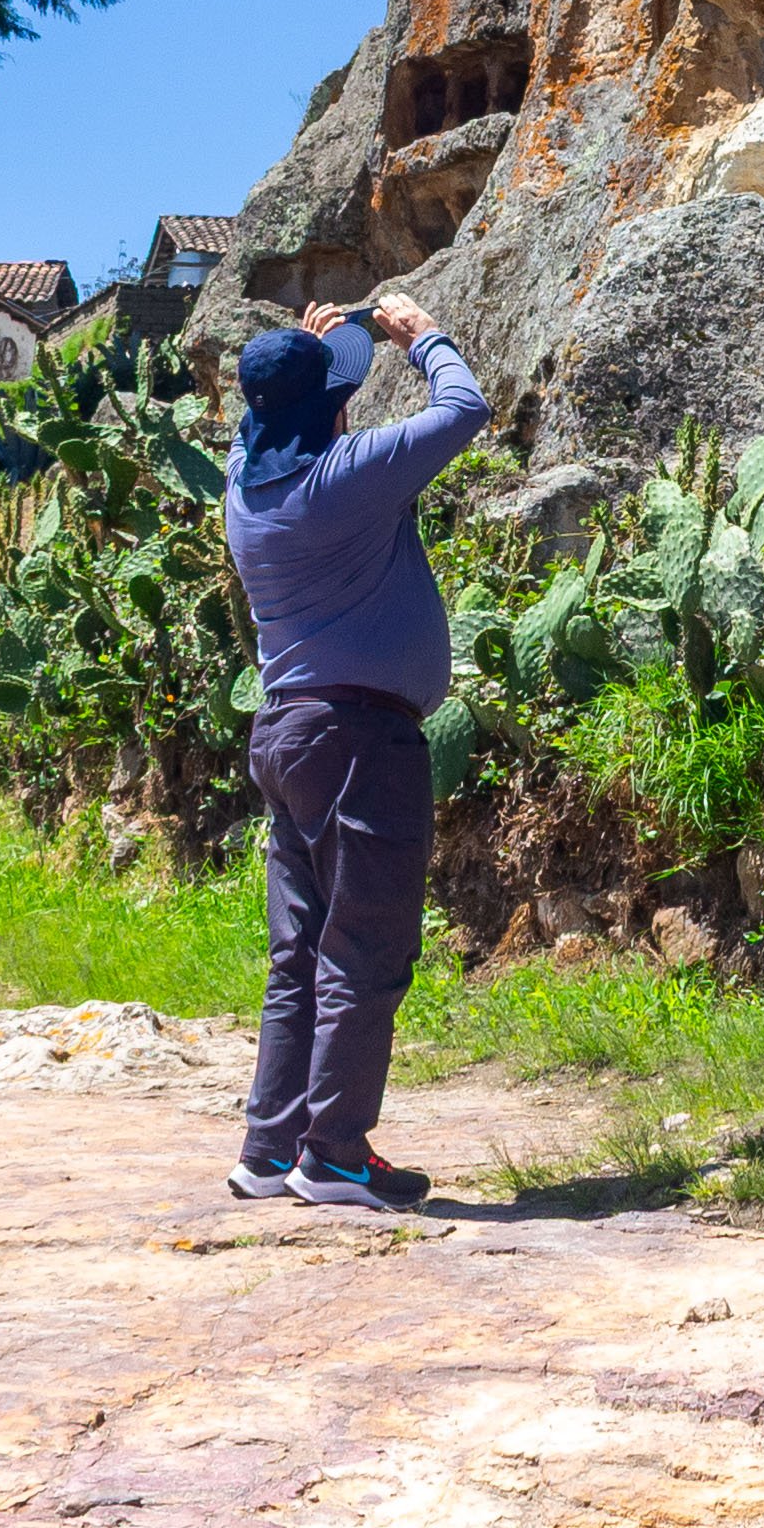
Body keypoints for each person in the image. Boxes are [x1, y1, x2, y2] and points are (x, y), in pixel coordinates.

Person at [221, 287, 487, 1212]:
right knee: (364, 950)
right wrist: (422, 339)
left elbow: (258, 418)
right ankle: (334, 1155)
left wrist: (304, 348)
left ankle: (272, 1146)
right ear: (328, 409)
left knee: (299, 953)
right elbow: (463, 411)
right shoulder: (341, 479)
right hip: (358, 739)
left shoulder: (245, 485)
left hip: (288, 733)